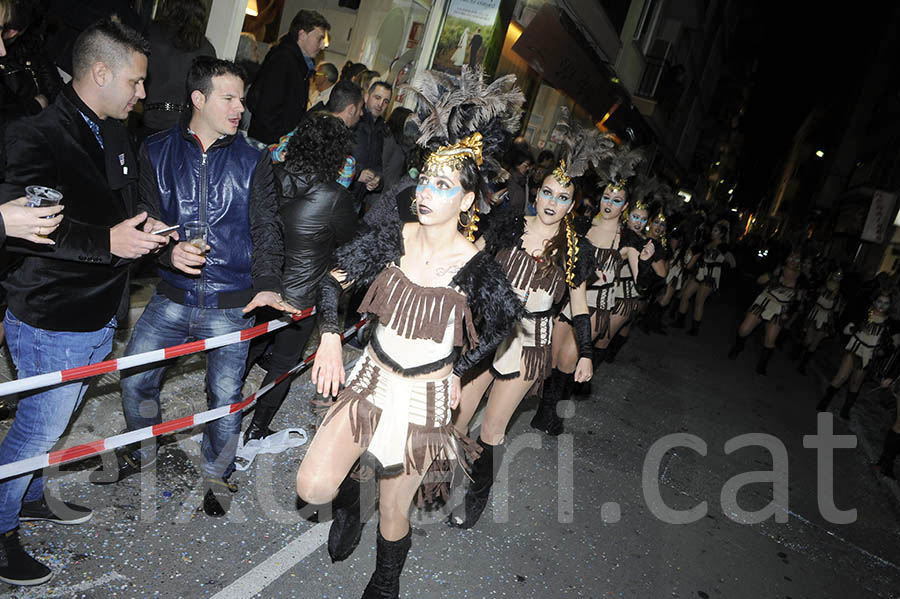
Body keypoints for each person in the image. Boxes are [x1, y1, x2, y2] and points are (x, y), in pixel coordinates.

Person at [296, 66, 523, 598]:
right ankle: (348, 507)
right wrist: (330, 337)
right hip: (372, 380)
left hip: (424, 399)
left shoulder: (476, 266)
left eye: (442, 185)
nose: (424, 191)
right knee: (313, 484)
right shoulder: (393, 236)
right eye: (424, 178)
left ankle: (386, 578)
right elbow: (333, 280)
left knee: (395, 512)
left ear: (468, 200)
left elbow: (504, 322)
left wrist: (459, 373)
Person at [90, 58, 292, 518]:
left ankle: (217, 476)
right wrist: (166, 252)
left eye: (242, 98)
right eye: (229, 97)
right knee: (136, 378)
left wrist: (266, 284)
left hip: (230, 303)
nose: (240, 106)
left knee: (224, 396)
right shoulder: (156, 150)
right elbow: (145, 217)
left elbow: (267, 228)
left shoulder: (254, 158)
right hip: (172, 296)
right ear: (199, 99)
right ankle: (143, 450)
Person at [0, 18, 163, 586]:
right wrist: (110, 241)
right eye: (135, 82)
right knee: (35, 431)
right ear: (101, 73)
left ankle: (32, 493)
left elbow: (119, 211)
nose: (142, 94)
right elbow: (27, 229)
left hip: (98, 311)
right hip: (50, 313)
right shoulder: (34, 134)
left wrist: (156, 234)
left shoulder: (114, 129)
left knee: (53, 420)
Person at [449, 115, 607, 529]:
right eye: (548, 192)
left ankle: (475, 499)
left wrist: (586, 353)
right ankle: (439, 476)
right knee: (457, 417)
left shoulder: (577, 250)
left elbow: (580, 306)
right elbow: (471, 261)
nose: (552, 202)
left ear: (572, 205)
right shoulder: (509, 223)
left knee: (494, 427)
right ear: (537, 192)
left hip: (528, 342)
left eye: (562, 197)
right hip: (487, 334)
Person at [243, 112, 358, 443]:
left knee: (246, 353)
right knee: (281, 367)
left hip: (259, 284)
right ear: (336, 155)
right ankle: (256, 430)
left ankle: (224, 419)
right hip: (300, 298)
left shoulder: (269, 174)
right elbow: (351, 243)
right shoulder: (335, 197)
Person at [246, 9, 329, 144]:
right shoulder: (283, 60)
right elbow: (267, 108)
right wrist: (279, 144)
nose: (322, 46)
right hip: (268, 145)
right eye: (319, 38)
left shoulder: (300, 63)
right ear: (302, 34)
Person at [141, 0, 216, 136]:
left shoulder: (150, 35)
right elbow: (208, 94)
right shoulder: (206, 49)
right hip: (186, 125)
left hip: (150, 117)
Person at [728, 251, 807, 374]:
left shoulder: (801, 279)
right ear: (787, 258)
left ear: (799, 264)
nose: (793, 260)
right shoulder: (778, 270)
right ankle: (739, 346)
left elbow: (798, 300)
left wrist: (789, 314)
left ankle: (762, 363)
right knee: (744, 329)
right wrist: (772, 275)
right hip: (764, 302)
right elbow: (759, 280)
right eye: (791, 257)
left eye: (797, 259)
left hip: (779, 309)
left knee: (770, 340)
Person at [817, 292, 894, 419]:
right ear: (874, 302)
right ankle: (824, 402)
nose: (882, 305)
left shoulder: (889, 324)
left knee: (855, 382)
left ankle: (846, 409)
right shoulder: (865, 314)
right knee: (841, 376)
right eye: (880, 301)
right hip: (854, 349)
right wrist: (856, 328)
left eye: (886, 303)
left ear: (889, 306)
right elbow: (846, 329)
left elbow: (891, 346)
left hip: (867, 356)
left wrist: (882, 350)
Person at [674, 218, 735, 335]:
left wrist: (719, 265)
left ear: (721, 234)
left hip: (710, 276)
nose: (712, 232)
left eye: (716, 231)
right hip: (700, 272)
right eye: (713, 230)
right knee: (685, 295)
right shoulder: (708, 243)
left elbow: (732, 263)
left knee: (699, 301)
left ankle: (695, 329)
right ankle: (680, 321)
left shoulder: (723, 247)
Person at [351, 80, 392, 214]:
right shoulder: (353, 120)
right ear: (366, 97)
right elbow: (333, 157)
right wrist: (357, 174)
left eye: (386, 101)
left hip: (357, 201)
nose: (380, 104)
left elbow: (378, 167)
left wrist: (377, 181)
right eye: (377, 97)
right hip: (338, 196)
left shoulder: (381, 131)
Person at [797, 269, 845, 374]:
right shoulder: (821, 287)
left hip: (825, 319)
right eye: (835, 275)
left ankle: (803, 365)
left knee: (814, 343)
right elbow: (810, 296)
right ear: (831, 275)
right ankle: (798, 351)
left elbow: (836, 311)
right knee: (808, 340)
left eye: (839, 277)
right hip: (815, 314)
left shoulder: (838, 295)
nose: (837, 278)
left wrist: (835, 315)